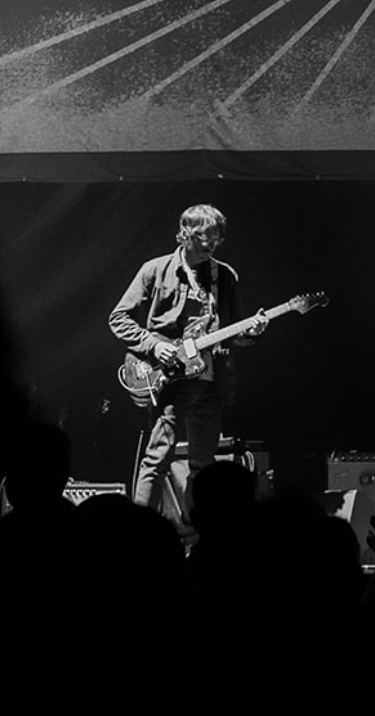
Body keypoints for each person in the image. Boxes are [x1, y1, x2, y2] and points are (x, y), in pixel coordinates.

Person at [109, 203, 264, 519]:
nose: (211, 244)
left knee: (204, 466)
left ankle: (201, 530)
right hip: (169, 381)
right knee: (157, 459)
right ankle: (139, 529)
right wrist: (154, 345)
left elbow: (233, 332)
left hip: (211, 382)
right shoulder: (155, 270)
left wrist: (251, 332)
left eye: (216, 238)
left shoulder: (225, 276)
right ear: (185, 234)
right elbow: (118, 318)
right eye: (204, 237)